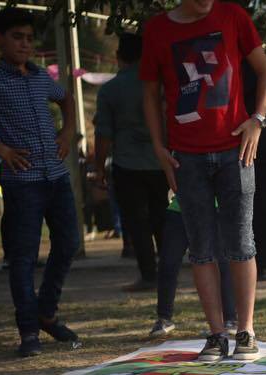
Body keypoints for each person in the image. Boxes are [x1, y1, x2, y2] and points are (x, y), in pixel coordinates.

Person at [141, 0, 266, 362]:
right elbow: (150, 94)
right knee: (200, 247)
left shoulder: (233, 15)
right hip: (186, 156)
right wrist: (158, 147)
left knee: (241, 242)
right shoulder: (157, 30)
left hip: (236, 149)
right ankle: (216, 334)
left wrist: (258, 120)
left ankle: (245, 331)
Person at [0, 7, 81, 358]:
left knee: (69, 243)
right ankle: (28, 331)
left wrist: (67, 133)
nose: (24, 44)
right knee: (23, 257)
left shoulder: (40, 77)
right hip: (21, 181)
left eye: (29, 38)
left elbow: (67, 99)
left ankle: (46, 312)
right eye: (17, 37)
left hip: (56, 175)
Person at [94, 33, 170, 292]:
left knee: (137, 223)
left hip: (127, 164)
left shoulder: (110, 90)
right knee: (162, 218)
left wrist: (99, 169)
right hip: (160, 162)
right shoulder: (160, 85)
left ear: (119, 57)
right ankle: (168, 272)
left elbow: (103, 133)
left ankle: (149, 276)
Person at [150, 195, 237, 339]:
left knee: (222, 262)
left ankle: (230, 319)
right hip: (180, 208)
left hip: (216, 207)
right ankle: (163, 318)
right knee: (167, 263)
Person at [242, 58, 266, 281]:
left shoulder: (247, 80)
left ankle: (263, 264)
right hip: (263, 152)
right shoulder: (265, 83)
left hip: (255, 153)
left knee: (257, 211)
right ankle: (264, 264)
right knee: (261, 210)